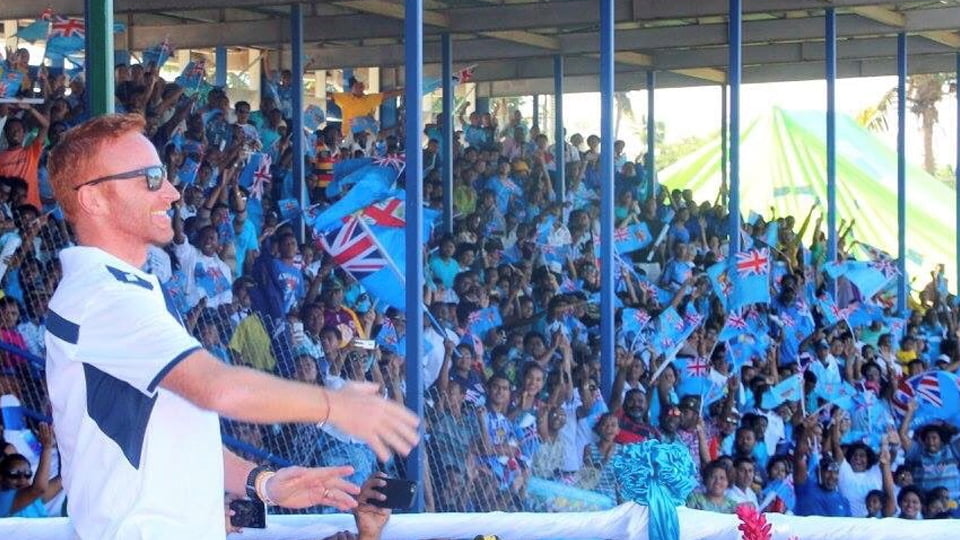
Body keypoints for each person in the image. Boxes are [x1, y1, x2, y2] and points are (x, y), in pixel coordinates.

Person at [44, 114, 420, 539]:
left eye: (164, 175)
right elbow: (217, 388)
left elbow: (177, 430)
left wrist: (265, 483)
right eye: (150, 178)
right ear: (94, 198)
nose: (170, 191)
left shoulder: (129, 291)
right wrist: (335, 406)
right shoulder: (102, 295)